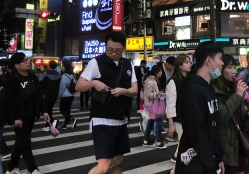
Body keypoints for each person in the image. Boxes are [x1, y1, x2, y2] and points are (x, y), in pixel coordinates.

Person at [75, 32, 138, 174]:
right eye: (110, 50)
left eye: (118, 51)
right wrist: (94, 83)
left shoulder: (127, 64)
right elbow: (78, 86)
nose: (114, 53)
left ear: (123, 48)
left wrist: (123, 91)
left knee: (119, 161)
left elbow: (134, 90)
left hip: (121, 118)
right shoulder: (96, 62)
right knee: (104, 166)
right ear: (105, 46)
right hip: (102, 118)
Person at [175, 41, 224, 174]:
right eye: (220, 58)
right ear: (209, 60)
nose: (222, 63)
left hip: (209, 159)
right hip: (197, 163)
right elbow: (197, 132)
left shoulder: (208, 87)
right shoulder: (193, 91)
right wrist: (210, 165)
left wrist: (218, 157)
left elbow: (214, 126)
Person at [4, 52, 50, 174]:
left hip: (31, 115)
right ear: (17, 65)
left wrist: (44, 110)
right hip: (19, 117)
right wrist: (14, 118)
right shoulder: (12, 80)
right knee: (25, 142)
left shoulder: (32, 76)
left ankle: (11, 167)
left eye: (28, 60)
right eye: (24, 61)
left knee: (20, 142)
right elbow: (9, 102)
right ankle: (33, 169)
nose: (28, 62)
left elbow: (38, 95)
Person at [214, 54, 249, 174]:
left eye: (235, 67)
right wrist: (238, 95)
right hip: (225, 142)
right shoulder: (215, 89)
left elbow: (235, 110)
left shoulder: (232, 86)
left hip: (237, 140)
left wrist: (246, 112)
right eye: (229, 67)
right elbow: (222, 114)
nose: (234, 72)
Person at [166, 54, 191, 166]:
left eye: (189, 62)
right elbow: (170, 104)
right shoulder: (173, 81)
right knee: (184, 140)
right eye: (186, 62)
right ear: (180, 66)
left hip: (187, 116)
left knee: (185, 140)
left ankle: (177, 156)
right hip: (179, 117)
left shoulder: (188, 79)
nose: (189, 64)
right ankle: (179, 161)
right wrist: (171, 124)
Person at [142, 65, 167, 149]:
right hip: (153, 104)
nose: (161, 73)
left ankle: (146, 140)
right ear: (156, 72)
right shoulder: (150, 82)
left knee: (151, 121)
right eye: (160, 71)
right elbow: (148, 95)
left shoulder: (153, 81)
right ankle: (158, 141)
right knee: (158, 121)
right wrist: (157, 94)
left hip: (152, 104)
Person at [38, 60, 61, 132]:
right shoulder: (58, 74)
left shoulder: (45, 74)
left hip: (45, 95)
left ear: (49, 66)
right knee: (50, 109)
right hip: (54, 95)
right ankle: (49, 123)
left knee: (44, 109)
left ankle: (50, 121)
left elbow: (40, 83)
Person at [57, 61, 77, 130]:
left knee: (62, 110)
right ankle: (65, 124)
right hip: (71, 95)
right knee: (67, 110)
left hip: (65, 95)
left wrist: (59, 95)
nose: (61, 68)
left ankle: (72, 119)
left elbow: (62, 87)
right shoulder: (71, 75)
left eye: (62, 66)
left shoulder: (64, 76)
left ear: (65, 68)